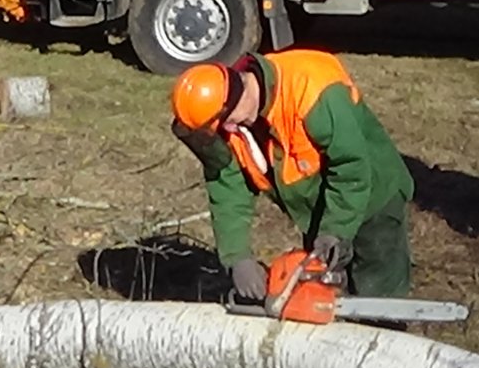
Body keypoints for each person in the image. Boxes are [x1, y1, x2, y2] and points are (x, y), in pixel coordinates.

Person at [171, 51, 415, 300]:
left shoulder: (312, 89)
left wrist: (335, 230)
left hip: (374, 194)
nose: (229, 130)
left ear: (233, 99)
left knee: (379, 292)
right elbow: (228, 187)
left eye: (227, 122)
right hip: (318, 209)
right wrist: (237, 258)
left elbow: (351, 166)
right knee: (321, 295)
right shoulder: (231, 125)